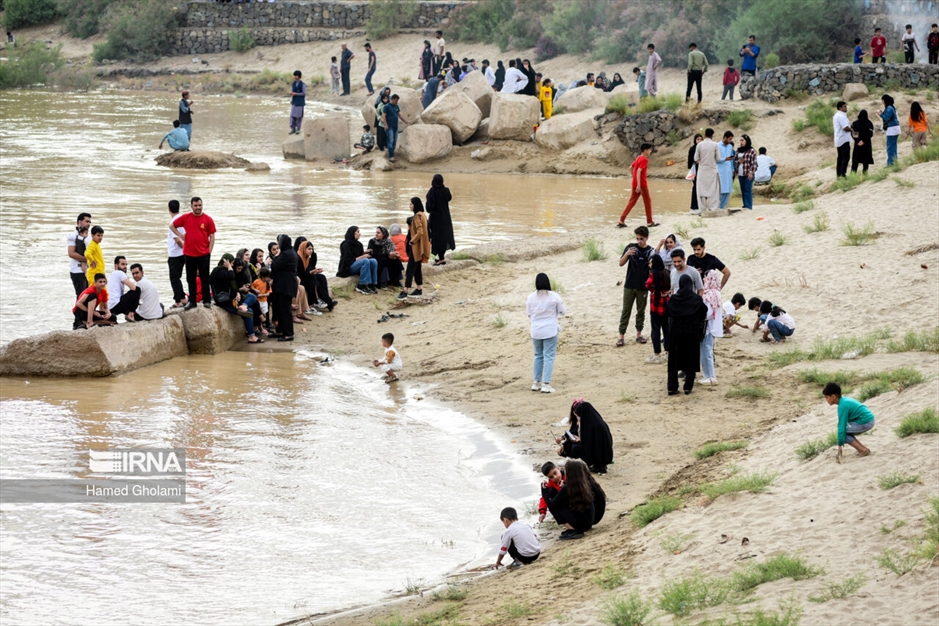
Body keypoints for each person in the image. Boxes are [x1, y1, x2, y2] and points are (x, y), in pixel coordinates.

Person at [540, 459, 606, 540]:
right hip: (594, 517)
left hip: (584, 523)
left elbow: (552, 505)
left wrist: (543, 491)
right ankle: (578, 526)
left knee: (555, 505)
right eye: (551, 477)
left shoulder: (567, 487)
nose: (555, 477)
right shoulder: (586, 481)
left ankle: (572, 529)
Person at [171, 197, 215, 310]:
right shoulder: (186, 217)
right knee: (190, 279)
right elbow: (172, 226)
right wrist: (181, 236)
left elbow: (212, 236)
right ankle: (192, 301)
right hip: (189, 254)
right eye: (195, 205)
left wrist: (209, 251)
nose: (198, 207)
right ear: (191, 206)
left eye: (199, 205)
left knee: (205, 278)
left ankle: (206, 300)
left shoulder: (208, 219)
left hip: (203, 254)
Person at [666, 274, 707, 395]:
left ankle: (672, 387)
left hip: (676, 332)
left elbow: (667, 311)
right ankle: (688, 386)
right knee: (691, 358)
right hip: (691, 332)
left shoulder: (674, 299)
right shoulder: (696, 300)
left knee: (673, 361)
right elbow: (703, 312)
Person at [615, 225, 655, 347]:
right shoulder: (630, 247)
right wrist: (627, 254)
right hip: (629, 285)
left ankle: (639, 334)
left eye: (641, 238)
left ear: (647, 238)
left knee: (641, 311)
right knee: (626, 310)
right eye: (637, 238)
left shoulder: (650, 251)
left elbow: (654, 268)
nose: (639, 241)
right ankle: (621, 336)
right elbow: (621, 263)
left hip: (643, 286)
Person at [527, 272, 566, 394]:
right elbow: (563, 311)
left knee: (538, 355)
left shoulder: (531, 297)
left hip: (536, 331)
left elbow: (529, 314)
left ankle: (536, 382)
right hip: (550, 330)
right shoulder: (554, 296)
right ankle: (546, 384)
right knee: (549, 356)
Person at [210, 255, 262, 343]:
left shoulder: (225, 271)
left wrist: (238, 292)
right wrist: (229, 266)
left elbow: (232, 286)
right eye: (232, 263)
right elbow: (231, 276)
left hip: (231, 298)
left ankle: (243, 305)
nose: (232, 265)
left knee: (252, 297)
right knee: (248, 311)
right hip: (224, 301)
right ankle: (252, 336)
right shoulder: (219, 271)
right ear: (226, 261)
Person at [555, 400, 614, 474]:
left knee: (576, 448)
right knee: (571, 444)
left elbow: (595, 444)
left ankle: (596, 465)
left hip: (601, 455)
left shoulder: (596, 426)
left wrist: (580, 441)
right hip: (596, 451)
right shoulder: (591, 422)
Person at [823, 382, 874, 463]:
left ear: (833, 396)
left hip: (866, 421)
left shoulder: (842, 406)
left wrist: (839, 445)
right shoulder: (844, 401)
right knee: (845, 432)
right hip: (868, 419)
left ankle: (863, 450)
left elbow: (841, 426)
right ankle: (864, 449)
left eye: (826, 397)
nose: (826, 400)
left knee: (844, 433)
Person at [618, 143, 659, 227]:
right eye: (649, 150)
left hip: (635, 183)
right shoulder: (644, 159)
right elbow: (639, 171)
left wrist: (635, 180)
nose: (650, 151)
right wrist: (639, 185)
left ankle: (621, 219)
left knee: (631, 202)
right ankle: (649, 221)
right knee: (648, 202)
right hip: (642, 184)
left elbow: (630, 168)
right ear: (645, 150)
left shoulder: (638, 158)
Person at [399, 198, 430, 299]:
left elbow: (420, 232)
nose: (410, 206)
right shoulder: (423, 215)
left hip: (416, 247)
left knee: (410, 269)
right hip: (421, 247)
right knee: (417, 269)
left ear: (415, 205)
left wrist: (412, 241)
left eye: (411, 204)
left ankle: (405, 291)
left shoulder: (417, 216)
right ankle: (419, 289)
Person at [296, 237, 335, 312]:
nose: (311, 251)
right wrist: (311, 272)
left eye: (312, 249)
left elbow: (310, 268)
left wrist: (314, 271)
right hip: (299, 278)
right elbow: (300, 273)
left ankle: (324, 300)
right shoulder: (298, 258)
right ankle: (322, 302)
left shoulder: (310, 256)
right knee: (312, 281)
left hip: (307, 275)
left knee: (321, 277)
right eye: (309, 249)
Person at [644, 254, 671, 364]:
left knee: (655, 330)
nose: (650, 264)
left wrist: (654, 290)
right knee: (667, 330)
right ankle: (668, 353)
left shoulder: (653, 274)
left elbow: (647, 285)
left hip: (656, 305)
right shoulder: (667, 272)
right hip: (666, 305)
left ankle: (657, 354)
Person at [271, 234, 298, 342]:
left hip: (285, 285)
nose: (278, 245)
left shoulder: (286, 254)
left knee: (285, 309)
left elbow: (275, 265)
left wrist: (276, 255)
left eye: (278, 243)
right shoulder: (290, 252)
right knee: (279, 308)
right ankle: (280, 331)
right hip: (284, 284)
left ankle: (288, 334)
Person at [337, 226, 378, 294]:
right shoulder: (345, 244)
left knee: (373, 261)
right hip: (347, 267)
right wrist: (363, 256)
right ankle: (361, 286)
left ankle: (371, 284)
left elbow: (358, 255)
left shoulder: (359, 244)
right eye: (358, 232)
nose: (359, 234)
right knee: (365, 260)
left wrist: (364, 253)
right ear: (353, 233)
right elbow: (349, 260)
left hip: (356, 264)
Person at [699, 269, 723, 385]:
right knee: (707, 351)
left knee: (706, 351)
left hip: (708, 328)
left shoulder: (710, 294)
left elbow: (708, 313)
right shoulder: (716, 292)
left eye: (705, 277)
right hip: (713, 327)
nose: (704, 280)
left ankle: (710, 376)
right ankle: (707, 375)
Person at [425, 174, 455, 265]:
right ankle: (441, 258)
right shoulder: (446, 190)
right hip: (445, 217)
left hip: (435, 219)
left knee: (436, 237)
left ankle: (441, 259)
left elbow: (428, 208)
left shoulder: (432, 191)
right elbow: (449, 198)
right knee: (445, 236)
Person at [165, 201, 187, 308]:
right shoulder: (183, 219)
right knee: (178, 277)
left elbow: (178, 240)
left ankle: (178, 301)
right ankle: (183, 297)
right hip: (183, 254)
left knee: (174, 278)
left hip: (175, 254)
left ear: (169, 209)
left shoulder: (174, 222)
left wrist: (185, 248)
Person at [106, 256, 141, 322]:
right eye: (122, 264)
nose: (125, 266)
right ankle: (130, 314)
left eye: (126, 264)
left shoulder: (112, 275)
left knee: (124, 297)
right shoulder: (120, 273)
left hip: (109, 309)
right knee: (137, 289)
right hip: (116, 305)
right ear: (116, 265)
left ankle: (128, 313)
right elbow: (133, 288)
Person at [694, 128, 721, 212]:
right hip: (712, 170)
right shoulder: (715, 145)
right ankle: (712, 208)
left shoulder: (699, 145)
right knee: (713, 190)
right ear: (712, 135)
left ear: (705, 135)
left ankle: (702, 209)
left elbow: (695, 158)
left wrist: (701, 161)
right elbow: (718, 158)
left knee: (701, 190)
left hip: (702, 170)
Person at [68, 212, 92, 296]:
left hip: (89, 270)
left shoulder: (89, 235)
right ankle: (78, 309)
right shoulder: (73, 236)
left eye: (90, 222)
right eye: (87, 221)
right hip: (77, 271)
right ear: (79, 222)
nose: (88, 224)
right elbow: (71, 253)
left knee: (90, 296)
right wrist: (89, 259)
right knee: (81, 296)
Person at [382, 94, 409, 162]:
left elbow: (399, 114)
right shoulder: (387, 106)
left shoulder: (396, 106)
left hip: (395, 126)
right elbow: (383, 116)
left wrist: (405, 121)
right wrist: (386, 125)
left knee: (394, 141)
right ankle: (391, 156)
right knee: (390, 141)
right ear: (392, 99)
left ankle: (392, 155)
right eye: (396, 100)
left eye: (397, 101)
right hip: (389, 126)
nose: (397, 102)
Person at [878, 94, 900, 166]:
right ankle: (894, 162)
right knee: (893, 146)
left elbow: (887, 118)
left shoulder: (889, 108)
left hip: (892, 129)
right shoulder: (891, 107)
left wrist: (880, 114)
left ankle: (890, 163)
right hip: (894, 128)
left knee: (890, 147)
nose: (882, 102)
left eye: (883, 100)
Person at [736, 134, 757, 210]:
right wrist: (739, 161)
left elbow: (754, 162)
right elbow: (735, 160)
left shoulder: (751, 151)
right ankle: (745, 204)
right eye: (740, 140)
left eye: (742, 140)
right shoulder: (738, 150)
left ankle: (749, 205)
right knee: (742, 189)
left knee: (747, 189)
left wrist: (751, 172)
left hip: (748, 173)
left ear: (747, 141)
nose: (741, 142)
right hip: (741, 173)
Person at [851, 109, 875, 174]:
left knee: (856, 159)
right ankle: (864, 174)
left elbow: (853, 134)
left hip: (857, 144)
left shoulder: (855, 123)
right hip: (866, 144)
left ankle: (853, 174)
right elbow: (870, 134)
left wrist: (858, 141)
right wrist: (863, 141)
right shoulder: (869, 123)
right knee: (865, 160)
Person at [833, 100, 853, 177]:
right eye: (844, 106)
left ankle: (839, 174)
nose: (846, 108)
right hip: (843, 139)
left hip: (838, 139)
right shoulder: (841, 116)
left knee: (840, 157)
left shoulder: (836, 115)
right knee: (846, 157)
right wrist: (852, 129)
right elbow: (845, 128)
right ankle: (843, 174)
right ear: (840, 108)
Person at [717, 130, 736, 209]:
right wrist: (724, 159)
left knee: (728, 189)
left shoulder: (730, 147)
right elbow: (715, 159)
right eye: (729, 139)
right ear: (725, 137)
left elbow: (731, 159)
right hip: (720, 170)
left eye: (731, 139)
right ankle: (718, 206)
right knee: (721, 190)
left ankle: (723, 206)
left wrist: (732, 170)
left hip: (728, 171)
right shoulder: (717, 146)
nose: (730, 141)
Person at [687, 134, 703, 212]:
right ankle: (694, 207)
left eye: (701, 139)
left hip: (703, 170)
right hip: (696, 170)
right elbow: (689, 162)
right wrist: (695, 161)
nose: (699, 141)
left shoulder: (703, 149)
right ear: (695, 140)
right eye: (698, 139)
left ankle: (700, 206)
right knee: (695, 188)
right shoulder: (692, 149)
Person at [288, 70, 306, 135]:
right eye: (294, 75)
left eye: (296, 75)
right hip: (294, 102)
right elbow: (293, 91)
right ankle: (293, 129)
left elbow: (304, 93)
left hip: (300, 103)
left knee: (299, 116)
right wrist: (292, 93)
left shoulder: (303, 84)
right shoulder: (293, 83)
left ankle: (298, 129)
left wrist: (296, 94)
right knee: (292, 116)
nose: (295, 77)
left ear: (299, 76)